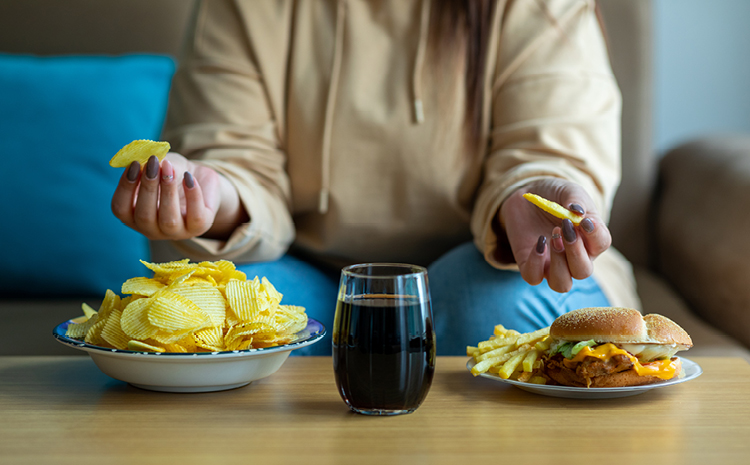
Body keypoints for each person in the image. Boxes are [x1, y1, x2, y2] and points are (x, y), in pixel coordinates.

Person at [111, 0, 640, 355]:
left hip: (489, 269)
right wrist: (209, 195)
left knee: (485, 303)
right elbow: (234, 154)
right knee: (221, 314)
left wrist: (532, 198)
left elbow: (549, 144)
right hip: (312, 273)